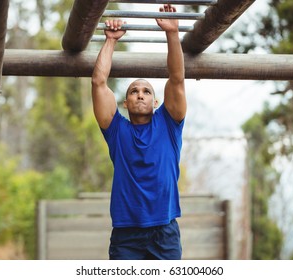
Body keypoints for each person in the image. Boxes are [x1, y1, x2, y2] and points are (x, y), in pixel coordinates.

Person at [91, 4, 186, 260]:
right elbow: (99, 83)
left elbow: (176, 78)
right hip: (126, 235)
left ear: (156, 102)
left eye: (146, 91)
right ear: (125, 103)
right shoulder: (116, 130)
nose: (140, 94)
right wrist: (111, 40)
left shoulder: (169, 123)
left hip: (164, 231)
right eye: (134, 91)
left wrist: (172, 34)